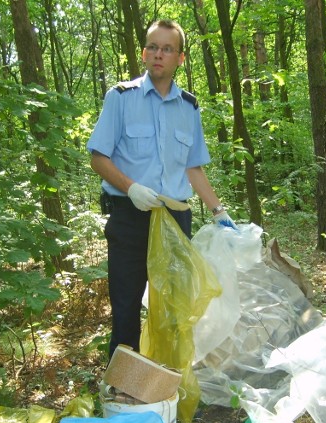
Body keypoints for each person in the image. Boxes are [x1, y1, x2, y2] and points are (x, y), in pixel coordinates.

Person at [87, 19, 236, 359]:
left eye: (167, 49)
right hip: (129, 216)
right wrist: (132, 187)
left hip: (174, 219)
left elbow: (192, 166)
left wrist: (218, 211)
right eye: (153, 47)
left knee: (172, 308)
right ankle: (123, 391)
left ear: (179, 58)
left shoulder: (188, 108)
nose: (158, 54)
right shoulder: (121, 98)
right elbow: (98, 157)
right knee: (126, 307)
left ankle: (167, 387)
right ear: (143, 53)